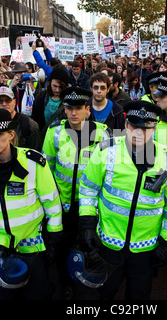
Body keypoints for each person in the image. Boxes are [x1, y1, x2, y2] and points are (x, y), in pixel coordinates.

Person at [77, 100, 167, 300]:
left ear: (155, 127)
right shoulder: (106, 151)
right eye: (134, 125)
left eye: (146, 127)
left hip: (145, 246)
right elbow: (88, 188)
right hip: (109, 241)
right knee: (105, 292)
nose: (139, 132)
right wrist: (87, 224)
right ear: (126, 125)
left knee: (138, 295)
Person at [0, 108, 62, 300]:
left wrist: (54, 238)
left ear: (11, 135)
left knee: (37, 294)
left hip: (31, 247)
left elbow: (52, 202)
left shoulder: (34, 163)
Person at [42, 86, 110, 299]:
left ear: (87, 110)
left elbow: (108, 171)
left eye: (78, 108)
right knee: (62, 249)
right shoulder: (54, 132)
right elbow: (46, 171)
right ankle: (66, 284)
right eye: (69, 108)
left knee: (89, 247)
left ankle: (89, 285)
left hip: (89, 208)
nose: (73, 113)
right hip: (63, 206)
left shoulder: (102, 133)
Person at [0, 86, 42, 151]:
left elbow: (35, 152)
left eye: (8, 100)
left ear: (14, 102)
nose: (4, 104)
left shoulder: (28, 124)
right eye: (0, 101)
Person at [31, 66, 69, 137]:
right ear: (50, 83)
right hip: (44, 138)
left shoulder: (70, 99)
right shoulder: (41, 97)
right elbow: (34, 119)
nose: (57, 90)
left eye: (60, 87)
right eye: (54, 86)